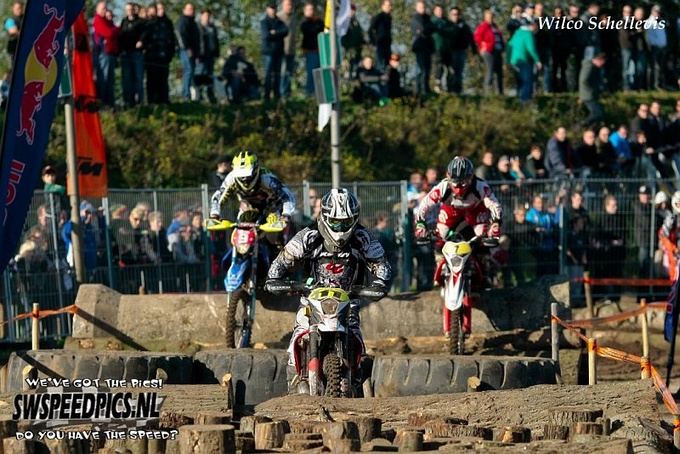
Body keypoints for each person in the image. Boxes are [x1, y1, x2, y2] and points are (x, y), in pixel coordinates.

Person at [263, 188, 392, 392]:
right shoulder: (308, 236)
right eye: (335, 222)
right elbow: (280, 263)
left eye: (345, 222)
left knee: (357, 337)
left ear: (354, 219)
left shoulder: (363, 237)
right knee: (296, 339)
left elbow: (382, 264)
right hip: (311, 299)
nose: (340, 227)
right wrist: (275, 279)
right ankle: (294, 383)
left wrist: (379, 282)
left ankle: (356, 380)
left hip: (348, 300)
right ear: (324, 216)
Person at [413, 156, 503, 286]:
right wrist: (420, 224)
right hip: (451, 211)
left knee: (482, 235)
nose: (459, 185)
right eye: (455, 181)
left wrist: (495, 224)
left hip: (475, 212)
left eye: (464, 181)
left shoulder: (480, 186)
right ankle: (440, 263)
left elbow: (494, 204)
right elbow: (425, 205)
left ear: (471, 176)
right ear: (448, 176)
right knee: (441, 234)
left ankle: (484, 270)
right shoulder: (443, 186)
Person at [209, 151, 296, 261]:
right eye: (241, 175)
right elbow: (218, 196)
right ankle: (237, 260)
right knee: (239, 234)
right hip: (248, 207)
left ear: (255, 169)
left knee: (275, 237)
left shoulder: (267, 178)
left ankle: (278, 265)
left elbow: (287, 196)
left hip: (271, 207)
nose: (244, 179)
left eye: (247, 175)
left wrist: (286, 215)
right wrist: (214, 214)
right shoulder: (231, 178)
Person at [578, 53, 607, 128]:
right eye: (602, 63)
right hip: (589, 95)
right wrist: (590, 91)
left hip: (589, 95)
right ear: (598, 60)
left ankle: (592, 129)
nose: (601, 65)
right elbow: (584, 80)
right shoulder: (589, 67)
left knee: (598, 116)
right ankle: (580, 125)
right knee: (597, 114)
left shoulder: (592, 67)